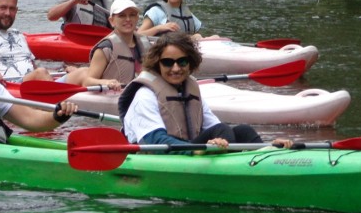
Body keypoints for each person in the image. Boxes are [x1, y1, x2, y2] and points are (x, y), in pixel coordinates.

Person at [118, 32, 293, 152]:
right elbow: (155, 141)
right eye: (168, 62)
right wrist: (199, 150)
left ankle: (265, 153)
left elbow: (215, 128)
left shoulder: (191, 89)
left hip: (189, 149)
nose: (176, 68)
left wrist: (265, 146)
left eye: (182, 62)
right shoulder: (145, 95)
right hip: (162, 155)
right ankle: (236, 168)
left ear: (190, 62)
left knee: (243, 131)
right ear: (158, 64)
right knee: (223, 130)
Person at [0, 0, 87, 84]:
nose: (8, 13)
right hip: (8, 87)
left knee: (82, 71)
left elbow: (34, 69)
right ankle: (61, 103)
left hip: (33, 83)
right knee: (40, 73)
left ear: (16, 11)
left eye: (12, 9)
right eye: (3, 8)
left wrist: (64, 70)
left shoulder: (18, 36)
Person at [82, 0, 152, 91]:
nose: (128, 19)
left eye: (132, 15)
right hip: (113, 98)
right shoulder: (105, 49)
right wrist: (107, 82)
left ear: (137, 18)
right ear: (111, 21)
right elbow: (87, 82)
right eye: (122, 15)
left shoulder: (145, 44)